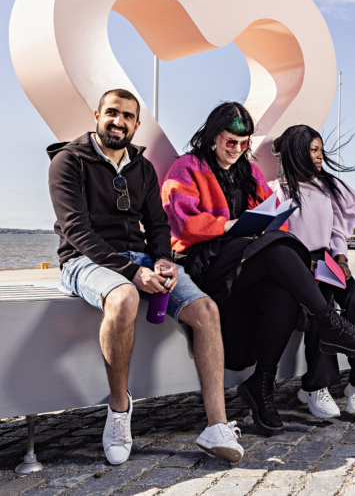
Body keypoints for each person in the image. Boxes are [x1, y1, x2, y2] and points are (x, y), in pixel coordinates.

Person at [161, 102, 355, 436]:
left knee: (283, 296)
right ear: (213, 136)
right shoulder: (186, 167)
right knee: (278, 247)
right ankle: (329, 323)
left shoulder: (250, 173)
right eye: (230, 141)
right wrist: (229, 226)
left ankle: (261, 384)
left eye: (243, 143)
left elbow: (273, 216)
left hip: (244, 264)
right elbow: (182, 223)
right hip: (205, 263)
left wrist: (262, 227)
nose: (237, 149)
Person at [48, 89, 243, 466]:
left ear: (137, 124)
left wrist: (164, 261)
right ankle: (119, 410)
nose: (118, 121)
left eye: (127, 116)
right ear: (97, 115)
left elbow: (157, 225)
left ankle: (216, 425)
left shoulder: (143, 167)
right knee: (124, 298)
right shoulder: (68, 161)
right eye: (111, 113)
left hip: (140, 259)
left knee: (206, 310)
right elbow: (77, 231)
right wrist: (133, 273)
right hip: (83, 261)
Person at [270, 125, 355, 419]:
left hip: (327, 261)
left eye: (321, 150)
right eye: (313, 150)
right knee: (322, 307)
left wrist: (342, 260)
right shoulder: (277, 191)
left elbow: (336, 233)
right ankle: (316, 386)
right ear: (296, 152)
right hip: (296, 265)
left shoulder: (328, 189)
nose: (320, 156)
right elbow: (274, 235)